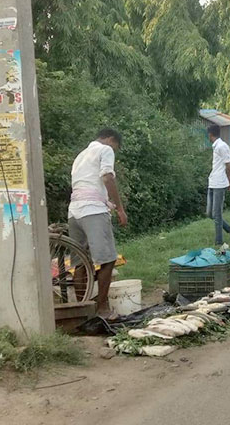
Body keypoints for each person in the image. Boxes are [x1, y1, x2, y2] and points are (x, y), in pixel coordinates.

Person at [68, 128, 127, 319]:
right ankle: (102, 308)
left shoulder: (81, 156)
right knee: (108, 260)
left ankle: (82, 307)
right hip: (93, 211)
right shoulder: (105, 150)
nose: (114, 150)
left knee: (80, 262)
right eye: (116, 147)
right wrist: (119, 207)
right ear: (111, 140)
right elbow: (107, 177)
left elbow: (86, 186)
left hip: (74, 212)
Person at [207, 124, 230, 245]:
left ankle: (218, 242)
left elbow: (228, 166)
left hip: (219, 183)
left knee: (217, 214)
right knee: (210, 213)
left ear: (210, 134)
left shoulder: (222, 146)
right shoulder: (216, 147)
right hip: (212, 181)